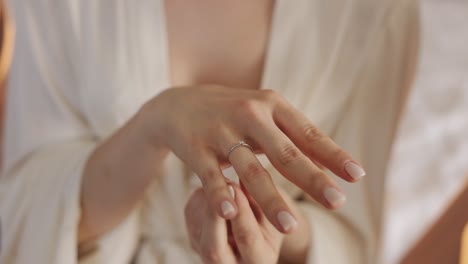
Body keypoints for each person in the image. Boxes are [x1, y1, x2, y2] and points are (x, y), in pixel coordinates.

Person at [0, 0, 420, 263]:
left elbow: (352, 241)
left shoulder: (378, 12)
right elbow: (26, 201)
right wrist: (153, 126)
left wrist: (275, 230)